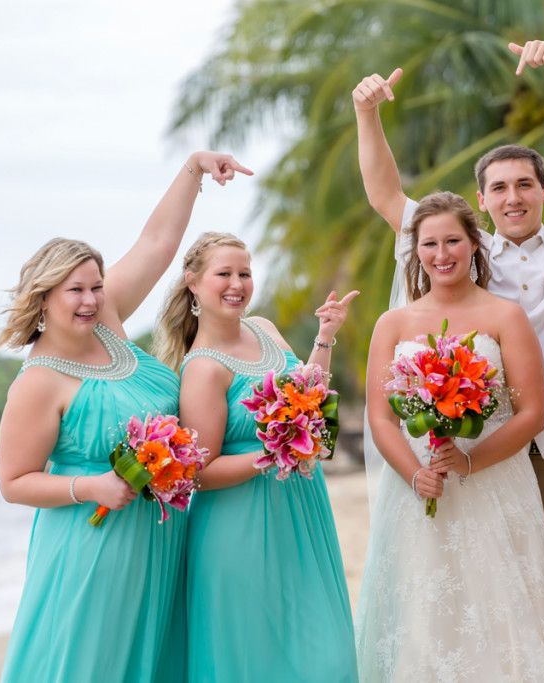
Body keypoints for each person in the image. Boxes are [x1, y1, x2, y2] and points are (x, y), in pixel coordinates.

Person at [353, 40, 544, 682]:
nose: (513, 196)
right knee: (535, 617)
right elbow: (386, 195)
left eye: (525, 183)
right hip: (518, 461)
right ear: (482, 198)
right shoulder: (461, 253)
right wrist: (368, 113)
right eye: (499, 187)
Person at [0, 152, 252, 682]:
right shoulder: (39, 381)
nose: (91, 300)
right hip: (94, 547)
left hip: (159, 539)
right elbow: (13, 482)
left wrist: (194, 170)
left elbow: (158, 244)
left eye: (95, 285)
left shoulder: (107, 321)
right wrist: (93, 487)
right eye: (76, 290)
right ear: (43, 299)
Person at [355, 191, 544, 681]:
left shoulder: (504, 316)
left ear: (475, 243)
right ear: (416, 251)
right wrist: (414, 475)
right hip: (417, 491)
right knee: (425, 616)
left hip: (494, 483)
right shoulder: (394, 323)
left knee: (503, 609)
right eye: (429, 243)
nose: (442, 253)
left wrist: (469, 461)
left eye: (453, 240)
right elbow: (381, 417)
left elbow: (532, 412)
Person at [154, 232, 359, 682]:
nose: (237, 284)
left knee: (329, 659)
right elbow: (199, 472)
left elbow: (310, 394)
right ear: (192, 282)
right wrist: (272, 454)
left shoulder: (264, 328)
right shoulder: (202, 367)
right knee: (256, 661)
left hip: (301, 511)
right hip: (240, 526)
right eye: (223, 274)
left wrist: (325, 338)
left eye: (244, 273)